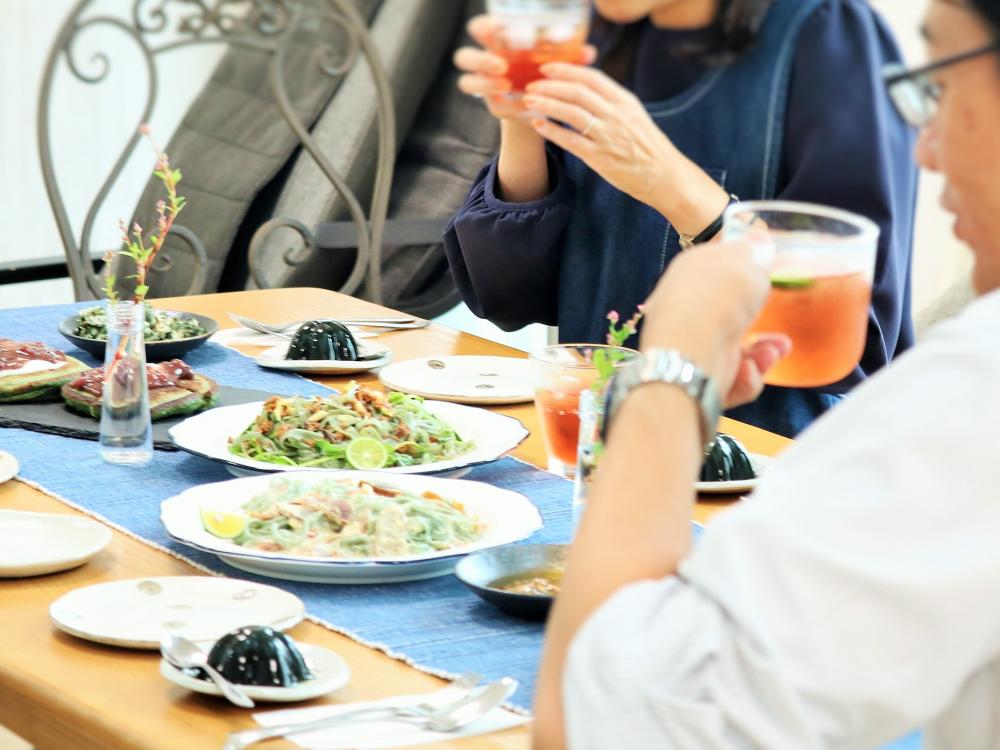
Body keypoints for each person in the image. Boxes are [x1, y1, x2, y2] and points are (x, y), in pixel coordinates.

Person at [533, 0, 1000, 747]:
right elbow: (507, 283)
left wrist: (672, 372)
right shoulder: (600, 40)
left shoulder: (978, 394)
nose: (926, 151)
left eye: (941, 85)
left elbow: (601, 721)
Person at [443, 0, 918, 438]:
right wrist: (521, 122)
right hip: (600, 450)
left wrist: (675, 189)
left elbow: (846, 344)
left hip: (767, 470)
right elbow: (509, 297)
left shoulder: (825, 31)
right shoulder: (601, 36)